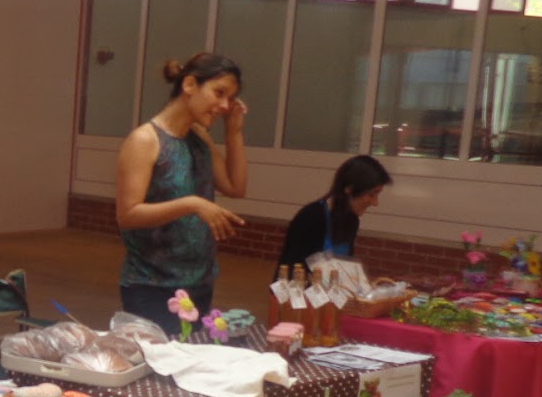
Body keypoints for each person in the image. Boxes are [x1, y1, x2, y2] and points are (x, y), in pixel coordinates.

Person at [115, 51, 249, 335]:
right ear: (189, 85)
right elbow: (128, 215)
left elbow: (235, 187)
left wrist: (234, 134)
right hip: (151, 286)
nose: (225, 106)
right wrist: (192, 204)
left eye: (230, 98)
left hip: (199, 282)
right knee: (159, 361)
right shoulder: (145, 140)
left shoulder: (199, 137)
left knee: (190, 355)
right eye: (219, 93)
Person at [277, 154, 392, 272]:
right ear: (349, 189)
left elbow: (344, 265)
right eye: (372, 194)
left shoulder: (352, 220)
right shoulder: (312, 217)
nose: (375, 203)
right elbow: (291, 270)